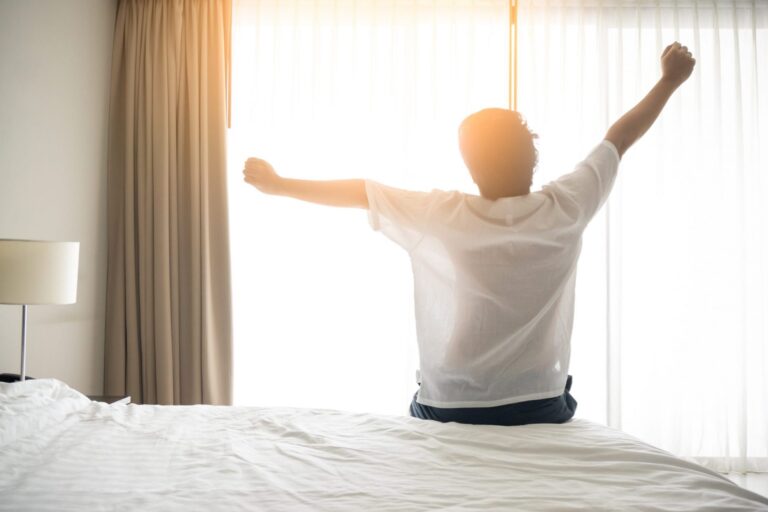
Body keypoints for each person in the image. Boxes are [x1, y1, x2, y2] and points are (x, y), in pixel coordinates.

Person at [243, 42, 696, 426]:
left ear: (473, 168)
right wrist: (669, 80)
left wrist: (281, 185)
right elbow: (619, 138)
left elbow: (362, 191)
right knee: (563, 394)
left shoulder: (446, 213)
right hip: (537, 402)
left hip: (451, 401)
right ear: (532, 158)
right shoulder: (566, 206)